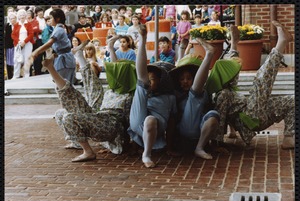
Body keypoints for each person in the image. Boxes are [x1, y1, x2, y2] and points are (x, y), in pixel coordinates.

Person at [41, 38, 136, 161]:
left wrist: (133, 144)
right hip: (101, 115)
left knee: (70, 117)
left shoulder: (131, 94)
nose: (113, 75)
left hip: (112, 125)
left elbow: (131, 123)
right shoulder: (111, 91)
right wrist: (111, 46)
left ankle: (88, 151)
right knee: (61, 113)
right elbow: (117, 68)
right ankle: (78, 55)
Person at [212, 21, 295, 150]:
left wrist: (232, 132)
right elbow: (221, 114)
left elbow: (232, 70)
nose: (234, 75)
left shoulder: (229, 91)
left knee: (292, 100)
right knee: (260, 83)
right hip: (249, 118)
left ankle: (289, 137)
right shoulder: (221, 94)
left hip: (257, 112)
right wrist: (218, 142)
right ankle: (282, 42)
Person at [127, 25, 177, 168]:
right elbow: (142, 75)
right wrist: (143, 38)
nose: (150, 81)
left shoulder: (169, 98)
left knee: (150, 120)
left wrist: (170, 147)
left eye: (153, 79)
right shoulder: (143, 90)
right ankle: (143, 37)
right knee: (141, 85)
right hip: (137, 123)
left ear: (160, 81)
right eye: (148, 78)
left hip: (157, 125)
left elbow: (172, 122)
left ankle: (147, 155)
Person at [169, 37, 220, 159]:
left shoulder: (205, 93)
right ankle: (209, 54)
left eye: (189, 78)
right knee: (194, 95)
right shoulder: (176, 95)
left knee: (213, 115)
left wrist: (215, 145)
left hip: (201, 128)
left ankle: (200, 148)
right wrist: (169, 147)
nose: (185, 82)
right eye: (182, 79)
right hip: (185, 130)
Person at [30, 8, 76, 84]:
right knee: (62, 85)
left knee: (63, 85)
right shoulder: (58, 28)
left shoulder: (59, 29)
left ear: (57, 19)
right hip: (62, 59)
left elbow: (49, 43)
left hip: (64, 61)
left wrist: (36, 51)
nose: (50, 20)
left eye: (51, 18)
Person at [11, 9, 35, 79]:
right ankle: (16, 75)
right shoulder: (16, 25)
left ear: (25, 16)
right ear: (18, 16)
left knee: (27, 59)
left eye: (23, 15)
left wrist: (24, 42)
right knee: (17, 59)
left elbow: (31, 34)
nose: (22, 16)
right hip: (18, 44)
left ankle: (26, 75)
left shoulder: (29, 24)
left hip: (27, 44)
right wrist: (19, 41)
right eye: (21, 15)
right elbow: (13, 35)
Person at [5, 12, 17, 80]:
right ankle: (10, 76)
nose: (12, 19)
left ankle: (17, 75)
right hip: (10, 46)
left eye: (13, 18)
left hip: (17, 45)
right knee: (9, 62)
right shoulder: (7, 26)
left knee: (17, 61)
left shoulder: (18, 25)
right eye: (11, 18)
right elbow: (6, 37)